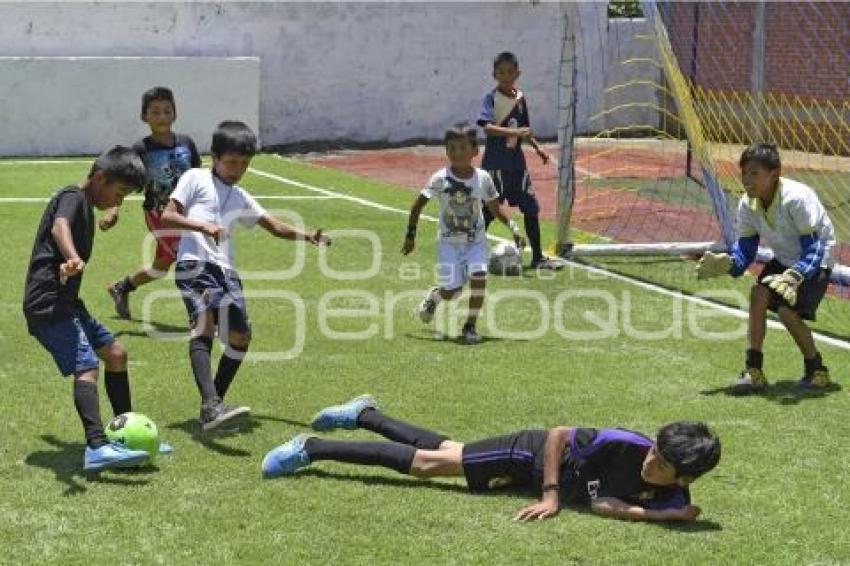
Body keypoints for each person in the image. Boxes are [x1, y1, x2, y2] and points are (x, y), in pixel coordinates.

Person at [262, 395, 721, 523]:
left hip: (533, 473)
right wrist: (551, 494)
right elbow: (560, 434)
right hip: (532, 452)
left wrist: (659, 515)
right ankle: (312, 449)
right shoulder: (624, 443)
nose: (650, 463)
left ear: (683, 475)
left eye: (661, 465)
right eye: (655, 452)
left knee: (446, 451)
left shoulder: (673, 493)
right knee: (427, 466)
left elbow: (607, 506)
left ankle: (363, 413)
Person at [161, 120, 330, 431]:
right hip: (194, 264)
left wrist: (308, 235)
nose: (237, 169)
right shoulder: (195, 177)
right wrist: (204, 227)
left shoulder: (240, 195)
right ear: (214, 156)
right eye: (231, 162)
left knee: (241, 338)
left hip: (226, 273)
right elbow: (168, 214)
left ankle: (214, 405)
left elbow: (274, 226)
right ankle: (212, 405)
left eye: (244, 163)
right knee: (204, 328)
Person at [23, 146, 155, 472]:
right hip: (48, 303)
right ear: (99, 177)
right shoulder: (71, 196)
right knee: (87, 364)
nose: (119, 200)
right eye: (119, 193)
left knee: (116, 354)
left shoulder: (89, 205)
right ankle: (97, 446)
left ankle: (127, 438)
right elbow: (59, 227)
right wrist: (70, 256)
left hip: (67, 302)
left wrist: (110, 212)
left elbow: (85, 215)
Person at [696, 142, 836, 393]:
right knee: (758, 293)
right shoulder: (747, 204)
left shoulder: (797, 199)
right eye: (744, 173)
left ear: (774, 174)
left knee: (787, 312)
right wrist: (728, 264)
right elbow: (746, 252)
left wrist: (796, 275)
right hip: (785, 258)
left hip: (816, 261)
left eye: (754, 174)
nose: (747, 180)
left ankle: (817, 372)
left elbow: (815, 248)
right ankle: (754, 371)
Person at [402, 122, 525, 345]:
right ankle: (435, 297)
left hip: (475, 242)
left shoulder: (483, 178)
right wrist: (410, 236)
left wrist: (514, 228)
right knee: (453, 291)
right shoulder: (440, 178)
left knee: (479, 280)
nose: (457, 153)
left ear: (475, 150)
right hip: (449, 244)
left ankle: (469, 327)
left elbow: (495, 208)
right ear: (446, 151)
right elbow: (417, 206)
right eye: (452, 149)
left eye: (462, 148)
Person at [105, 86, 202, 319]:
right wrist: (113, 209)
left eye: (167, 111)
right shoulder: (141, 149)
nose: (162, 117)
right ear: (144, 116)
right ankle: (202, 317)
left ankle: (122, 287)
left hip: (186, 214)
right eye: (155, 112)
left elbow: (199, 176)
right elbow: (124, 180)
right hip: (159, 214)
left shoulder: (187, 143)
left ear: (175, 114)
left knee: (162, 265)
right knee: (187, 261)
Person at [477, 51, 560, 270]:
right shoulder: (491, 98)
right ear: (494, 74)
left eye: (510, 72)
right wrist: (515, 132)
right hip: (495, 164)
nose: (506, 76)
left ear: (518, 73)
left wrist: (538, 148)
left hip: (517, 166)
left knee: (531, 208)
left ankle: (538, 257)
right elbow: (487, 127)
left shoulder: (520, 99)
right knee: (489, 210)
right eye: (501, 72)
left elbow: (525, 130)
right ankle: (470, 256)